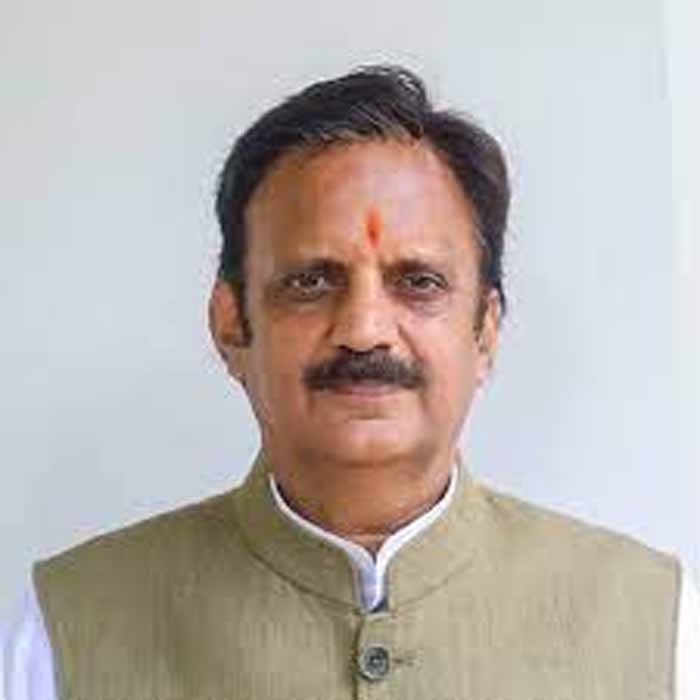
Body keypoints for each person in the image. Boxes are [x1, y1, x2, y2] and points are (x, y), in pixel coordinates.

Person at [1, 65, 698, 699]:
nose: (364, 330)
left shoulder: (655, 627)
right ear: (231, 323)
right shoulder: (69, 630)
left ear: (484, 331)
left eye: (418, 282)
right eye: (311, 282)